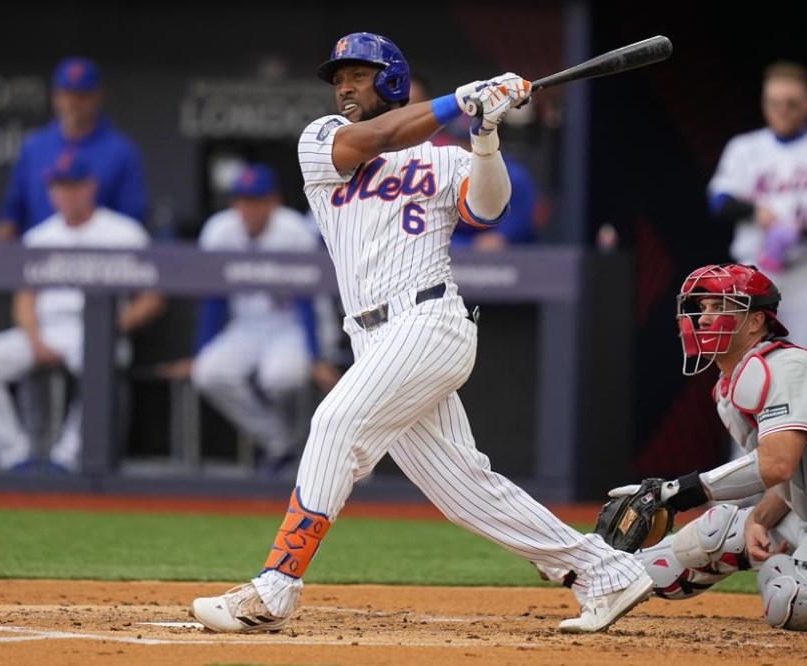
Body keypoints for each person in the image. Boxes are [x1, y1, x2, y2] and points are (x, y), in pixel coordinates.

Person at [190, 31, 653, 636]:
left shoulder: (445, 159)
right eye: (339, 79)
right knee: (463, 489)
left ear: (392, 81)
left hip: (429, 320)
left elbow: (488, 211)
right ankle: (603, 570)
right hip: (372, 337)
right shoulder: (322, 140)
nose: (345, 88)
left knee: (334, 425)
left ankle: (275, 588)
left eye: (358, 76)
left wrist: (485, 134)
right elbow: (377, 138)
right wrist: (462, 103)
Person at [542, 261, 807, 631]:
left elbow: (777, 465)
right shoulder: (728, 385)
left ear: (755, 321)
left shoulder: (784, 367)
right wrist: (762, 516)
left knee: (792, 595)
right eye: (701, 308)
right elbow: (790, 470)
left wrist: (679, 491)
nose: (704, 317)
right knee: (714, 533)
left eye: (721, 307)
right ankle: (592, 567)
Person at [156, 163, 341, 477]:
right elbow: (214, 298)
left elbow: (305, 301)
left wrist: (315, 356)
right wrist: (201, 352)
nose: (248, 208)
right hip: (248, 326)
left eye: (256, 200)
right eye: (242, 200)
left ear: (273, 201)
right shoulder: (219, 230)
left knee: (280, 377)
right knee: (208, 373)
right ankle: (280, 441)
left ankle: (306, 447)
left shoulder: (294, 230)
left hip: (292, 325)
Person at [0, 153, 164, 472]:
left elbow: (152, 297)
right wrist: (35, 337)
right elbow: (25, 299)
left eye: (73, 185)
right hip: (45, 327)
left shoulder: (123, 232)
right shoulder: (40, 236)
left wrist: (117, 325)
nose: (66, 193)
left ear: (90, 187)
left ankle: (68, 459)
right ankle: (16, 456)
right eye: (59, 186)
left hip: (100, 326)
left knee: (99, 360)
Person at [707, 61, 807, 347]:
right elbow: (718, 201)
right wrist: (755, 211)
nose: (782, 110)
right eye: (774, 103)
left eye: (791, 103)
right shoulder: (744, 148)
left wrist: (804, 225)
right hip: (751, 271)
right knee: (748, 362)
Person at [0, 56, 147, 240]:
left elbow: (131, 221)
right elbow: (12, 214)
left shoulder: (121, 151)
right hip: (39, 256)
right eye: (66, 94)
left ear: (96, 96)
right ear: (55, 96)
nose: (72, 103)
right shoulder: (34, 147)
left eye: (81, 96)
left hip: (103, 257)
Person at [435, 115, 540, 250]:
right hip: (459, 248)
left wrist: (502, 236)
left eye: (472, 142)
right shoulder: (444, 175)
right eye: (460, 142)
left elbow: (521, 221)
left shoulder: (513, 175)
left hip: (508, 256)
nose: (465, 149)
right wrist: (466, 245)